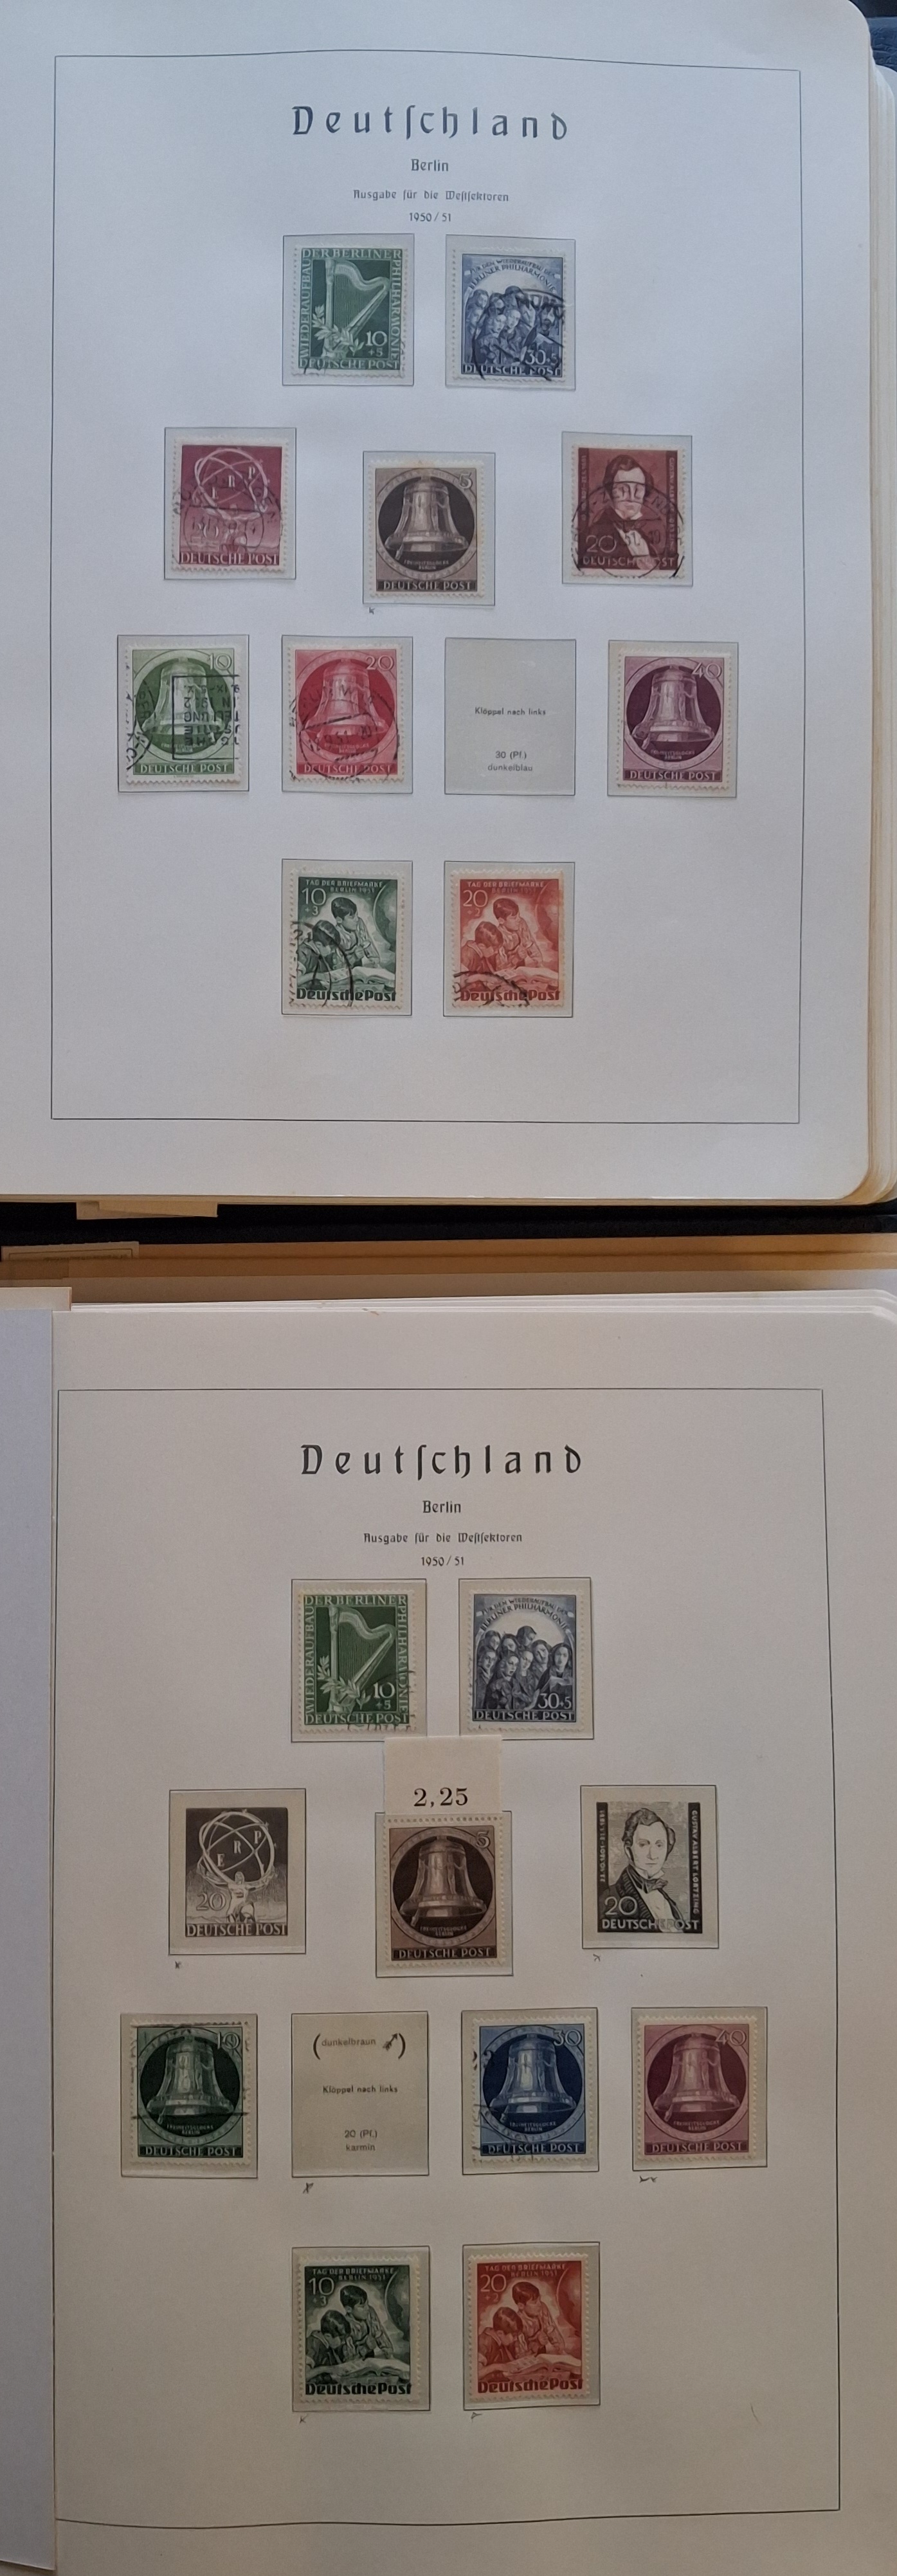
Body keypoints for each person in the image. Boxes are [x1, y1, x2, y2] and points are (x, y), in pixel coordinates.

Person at [600, 1806, 687, 1932]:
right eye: (643, 1845)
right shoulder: (609, 1897)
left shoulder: (665, 1899)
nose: (653, 1855)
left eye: (659, 1845)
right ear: (628, 1850)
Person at [579, 453, 661, 574]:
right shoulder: (592, 536)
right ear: (610, 491)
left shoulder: (643, 538)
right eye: (623, 489)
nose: (632, 497)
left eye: (638, 489)